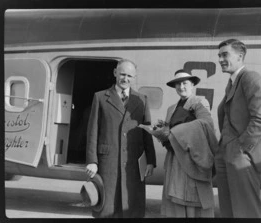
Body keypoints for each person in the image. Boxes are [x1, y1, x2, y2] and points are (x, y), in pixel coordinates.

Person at [140, 69, 218, 217]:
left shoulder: (200, 102)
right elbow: (169, 136)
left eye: (185, 83)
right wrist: (161, 132)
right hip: (174, 159)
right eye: (177, 84)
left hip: (191, 159)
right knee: (175, 200)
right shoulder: (171, 109)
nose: (181, 87)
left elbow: (206, 124)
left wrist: (174, 133)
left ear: (192, 84)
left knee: (193, 199)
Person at [85, 59, 156, 218]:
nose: (126, 79)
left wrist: (150, 160)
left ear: (135, 77)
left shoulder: (142, 100)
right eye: (122, 74)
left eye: (130, 76)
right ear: (115, 73)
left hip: (134, 163)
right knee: (107, 207)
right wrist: (92, 160)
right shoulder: (100, 97)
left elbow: (146, 133)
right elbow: (92, 131)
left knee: (132, 208)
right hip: (107, 162)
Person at [215, 39, 261, 218]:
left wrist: (240, 149)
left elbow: (260, 120)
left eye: (225, 54)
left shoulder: (250, 78)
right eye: (219, 55)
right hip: (227, 154)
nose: (220, 59)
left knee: (246, 212)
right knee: (229, 210)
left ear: (240, 56)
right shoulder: (232, 82)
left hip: (241, 156)